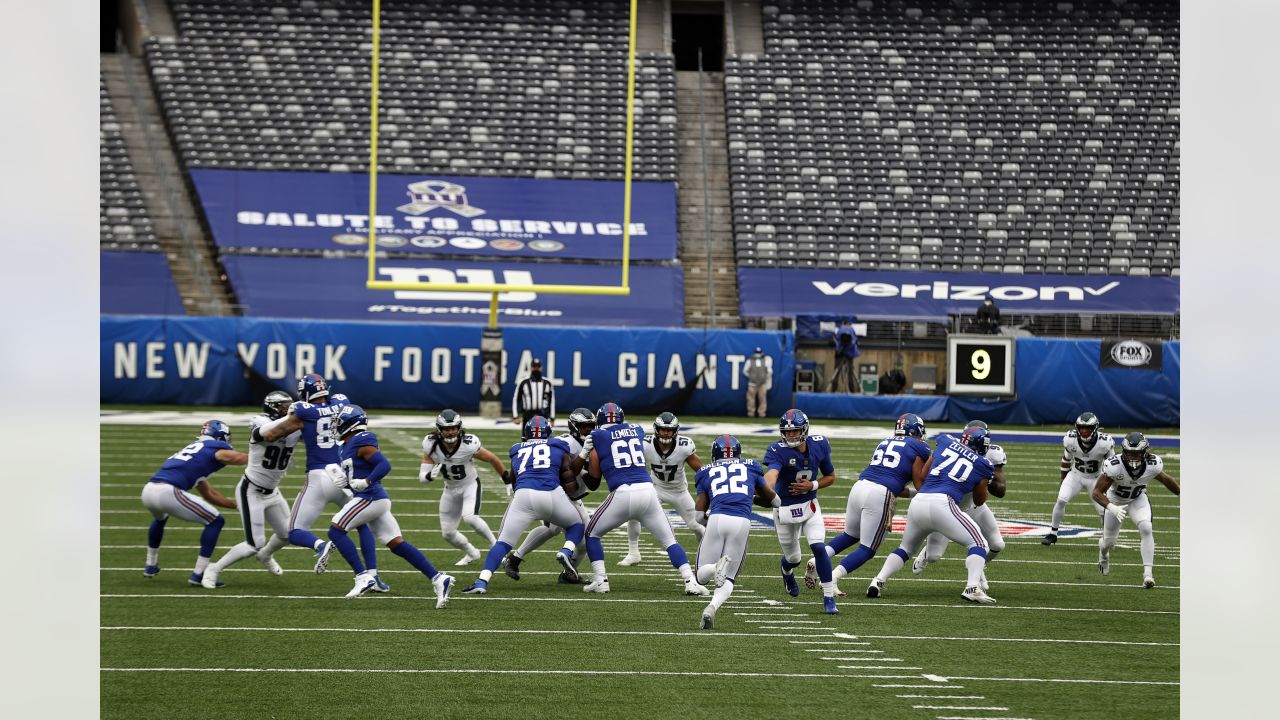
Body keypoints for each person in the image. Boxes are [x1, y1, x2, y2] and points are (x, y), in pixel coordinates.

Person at [257, 374, 385, 591]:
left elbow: (270, 436)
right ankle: (372, 576)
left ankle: (321, 546)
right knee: (361, 524)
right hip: (343, 476)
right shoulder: (341, 403)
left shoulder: (303, 411)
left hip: (318, 476)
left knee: (294, 531)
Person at [325, 405, 455, 606]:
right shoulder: (347, 444)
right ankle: (438, 578)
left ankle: (363, 576)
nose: (336, 426)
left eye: (339, 422)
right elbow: (358, 473)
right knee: (396, 544)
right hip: (372, 498)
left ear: (351, 423)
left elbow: (384, 465)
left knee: (336, 531)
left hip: (371, 497)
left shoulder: (361, 439)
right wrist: (346, 481)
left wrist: (367, 482)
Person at [579, 403, 708, 596]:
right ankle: (690, 580)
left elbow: (595, 475)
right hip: (649, 491)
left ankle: (600, 580)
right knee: (670, 541)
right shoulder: (637, 430)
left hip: (623, 492)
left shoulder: (597, 436)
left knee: (591, 533)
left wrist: (583, 456)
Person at [866, 425, 996, 604]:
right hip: (943, 503)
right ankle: (972, 587)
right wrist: (981, 483)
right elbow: (979, 500)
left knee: (905, 549)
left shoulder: (945, 441)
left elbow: (924, 473)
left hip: (919, 501)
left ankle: (878, 580)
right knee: (980, 544)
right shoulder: (984, 464)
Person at [808, 413, 932, 598]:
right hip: (880, 494)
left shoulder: (885, 441)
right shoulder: (919, 446)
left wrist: (914, 495)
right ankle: (832, 577)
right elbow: (918, 483)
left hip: (859, 486)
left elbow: (894, 481)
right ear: (917, 431)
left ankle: (816, 560)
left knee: (850, 535)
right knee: (867, 549)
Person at [462, 416, 585, 595]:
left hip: (524, 496)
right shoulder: (559, 446)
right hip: (552, 494)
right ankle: (566, 550)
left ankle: (482, 581)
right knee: (577, 524)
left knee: (503, 543)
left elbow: (514, 480)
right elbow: (568, 480)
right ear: (548, 433)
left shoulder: (517, 449)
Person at [201, 392, 299, 588]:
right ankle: (214, 568)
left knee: (289, 534)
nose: (287, 410)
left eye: (289, 406)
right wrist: (295, 421)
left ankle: (266, 555)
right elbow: (270, 435)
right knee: (254, 543)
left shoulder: (293, 425)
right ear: (272, 407)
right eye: (282, 406)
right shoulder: (260, 421)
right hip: (251, 490)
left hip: (272, 491)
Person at [140, 420, 245, 586]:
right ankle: (199, 574)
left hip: (149, 490)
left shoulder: (195, 454)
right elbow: (234, 457)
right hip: (167, 491)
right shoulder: (213, 448)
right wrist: (261, 457)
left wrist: (236, 505)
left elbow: (210, 495)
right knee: (216, 521)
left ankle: (150, 565)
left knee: (161, 519)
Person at [692, 435, 780, 630]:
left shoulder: (705, 471)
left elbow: (698, 516)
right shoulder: (751, 466)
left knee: (700, 576)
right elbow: (776, 501)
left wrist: (710, 522)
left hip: (716, 519)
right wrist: (751, 497)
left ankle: (715, 568)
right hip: (742, 521)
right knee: (729, 578)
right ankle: (712, 607)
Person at [502, 407, 598, 584]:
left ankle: (515, 559)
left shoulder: (589, 441)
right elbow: (568, 471)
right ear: (574, 426)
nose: (589, 430)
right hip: (559, 493)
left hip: (571, 495)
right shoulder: (565, 442)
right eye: (584, 426)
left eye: (591, 426)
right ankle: (567, 571)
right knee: (579, 538)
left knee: (555, 530)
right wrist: (585, 454)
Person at [912, 420, 1008, 590]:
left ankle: (977, 569)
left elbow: (1000, 490)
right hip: (947, 506)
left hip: (972, 506)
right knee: (934, 556)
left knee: (997, 544)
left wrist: (987, 476)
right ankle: (926, 553)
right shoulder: (951, 446)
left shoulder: (992, 454)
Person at [764, 409, 839, 614]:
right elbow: (772, 473)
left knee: (818, 547)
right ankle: (786, 571)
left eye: (794, 431)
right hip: (785, 509)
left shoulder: (819, 444)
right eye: (787, 432)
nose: (790, 435)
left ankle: (829, 597)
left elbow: (830, 476)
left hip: (809, 505)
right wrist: (766, 488)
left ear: (804, 430)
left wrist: (812, 485)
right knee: (794, 558)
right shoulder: (777, 450)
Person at [419, 409, 508, 566]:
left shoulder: (468, 444)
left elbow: (492, 458)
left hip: (470, 485)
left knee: (470, 518)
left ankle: (497, 548)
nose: (450, 432)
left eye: (453, 428)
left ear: (459, 427)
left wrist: (506, 479)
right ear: (439, 430)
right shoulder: (430, 444)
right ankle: (472, 553)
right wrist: (429, 476)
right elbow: (423, 478)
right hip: (450, 490)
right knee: (448, 533)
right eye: (446, 429)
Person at [1093, 432, 1180, 588]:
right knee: (1109, 543)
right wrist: (1112, 507)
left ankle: (1148, 574)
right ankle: (1103, 555)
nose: (1133, 457)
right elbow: (1097, 492)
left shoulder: (1153, 464)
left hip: (1137, 498)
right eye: (1130, 453)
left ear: (1144, 452)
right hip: (1115, 501)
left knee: (1146, 527)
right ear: (1124, 452)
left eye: (1137, 453)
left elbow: (1166, 479)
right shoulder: (1114, 466)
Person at [617, 412, 705, 566]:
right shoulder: (645, 444)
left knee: (697, 525)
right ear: (656, 429)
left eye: (669, 430)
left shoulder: (684, 446)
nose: (666, 432)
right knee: (634, 512)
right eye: (663, 429)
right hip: (655, 488)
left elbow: (702, 471)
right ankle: (633, 553)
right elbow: (634, 467)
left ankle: (705, 554)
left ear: (675, 431)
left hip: (679, 491)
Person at [1043, 412, 1114, 545]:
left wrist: (1108, 486)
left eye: (1088, 428)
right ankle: (1053, 534)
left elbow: (1112, 466)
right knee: (1061, 499)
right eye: (1081, 427)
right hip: (1076, 475)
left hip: (1096, 477)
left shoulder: (1104, 442)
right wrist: (1063, 480)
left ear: (1095, 428)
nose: (1084, 431)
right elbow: (1066, 461)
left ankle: (1107, 537)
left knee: (1103, 510)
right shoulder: (1070, 439)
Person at [512, 357, 555, 438]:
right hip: (528, 414)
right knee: (526, 438)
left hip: (543, 414)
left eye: (538, 367)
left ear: (541, 368)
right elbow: (516, 399)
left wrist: (552, 418)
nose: (536, 369)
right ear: (531, 368)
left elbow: (552, 401)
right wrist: (515, 416)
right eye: (534, 366)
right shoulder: (523, 382)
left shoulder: (547, 383)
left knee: (545, 438)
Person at [827, 321, 860, 393]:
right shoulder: (851, 330)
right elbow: (855, 341)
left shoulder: (840, 330)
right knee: (850, 373)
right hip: (848, 354)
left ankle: (833, 390)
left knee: (837, 371)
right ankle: (852, 391)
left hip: (841, 353)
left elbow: (834, 341)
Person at [743, 347, 772, 418]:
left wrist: (764, 378)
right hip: (752, 383)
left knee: (762, 399)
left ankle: (761, 414)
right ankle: (751, 413)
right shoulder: (749, 361)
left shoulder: (765, 361)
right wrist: (751, 377)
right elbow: (745, 371)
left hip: (762, 384)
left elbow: (769, 372)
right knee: (751, 399)